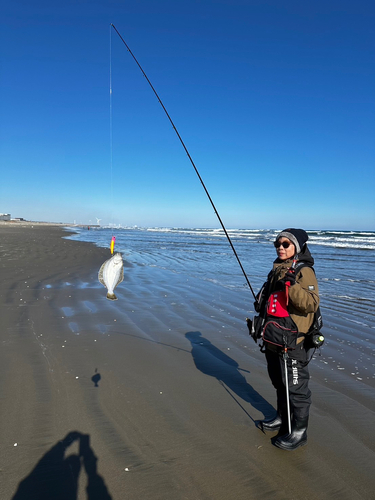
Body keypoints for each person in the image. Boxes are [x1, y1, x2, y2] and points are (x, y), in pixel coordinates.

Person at [253, 228, 319, 451]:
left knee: (296, 387)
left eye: (286, 244)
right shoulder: (277, 268)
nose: (280, 247)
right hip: (274, 337)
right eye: (277, 244)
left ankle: (299, 431)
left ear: (296, 248)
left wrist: (293, 286)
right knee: (279, 382)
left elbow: (311, 303)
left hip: (293, 341)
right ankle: (282, 417)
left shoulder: (303, 270)